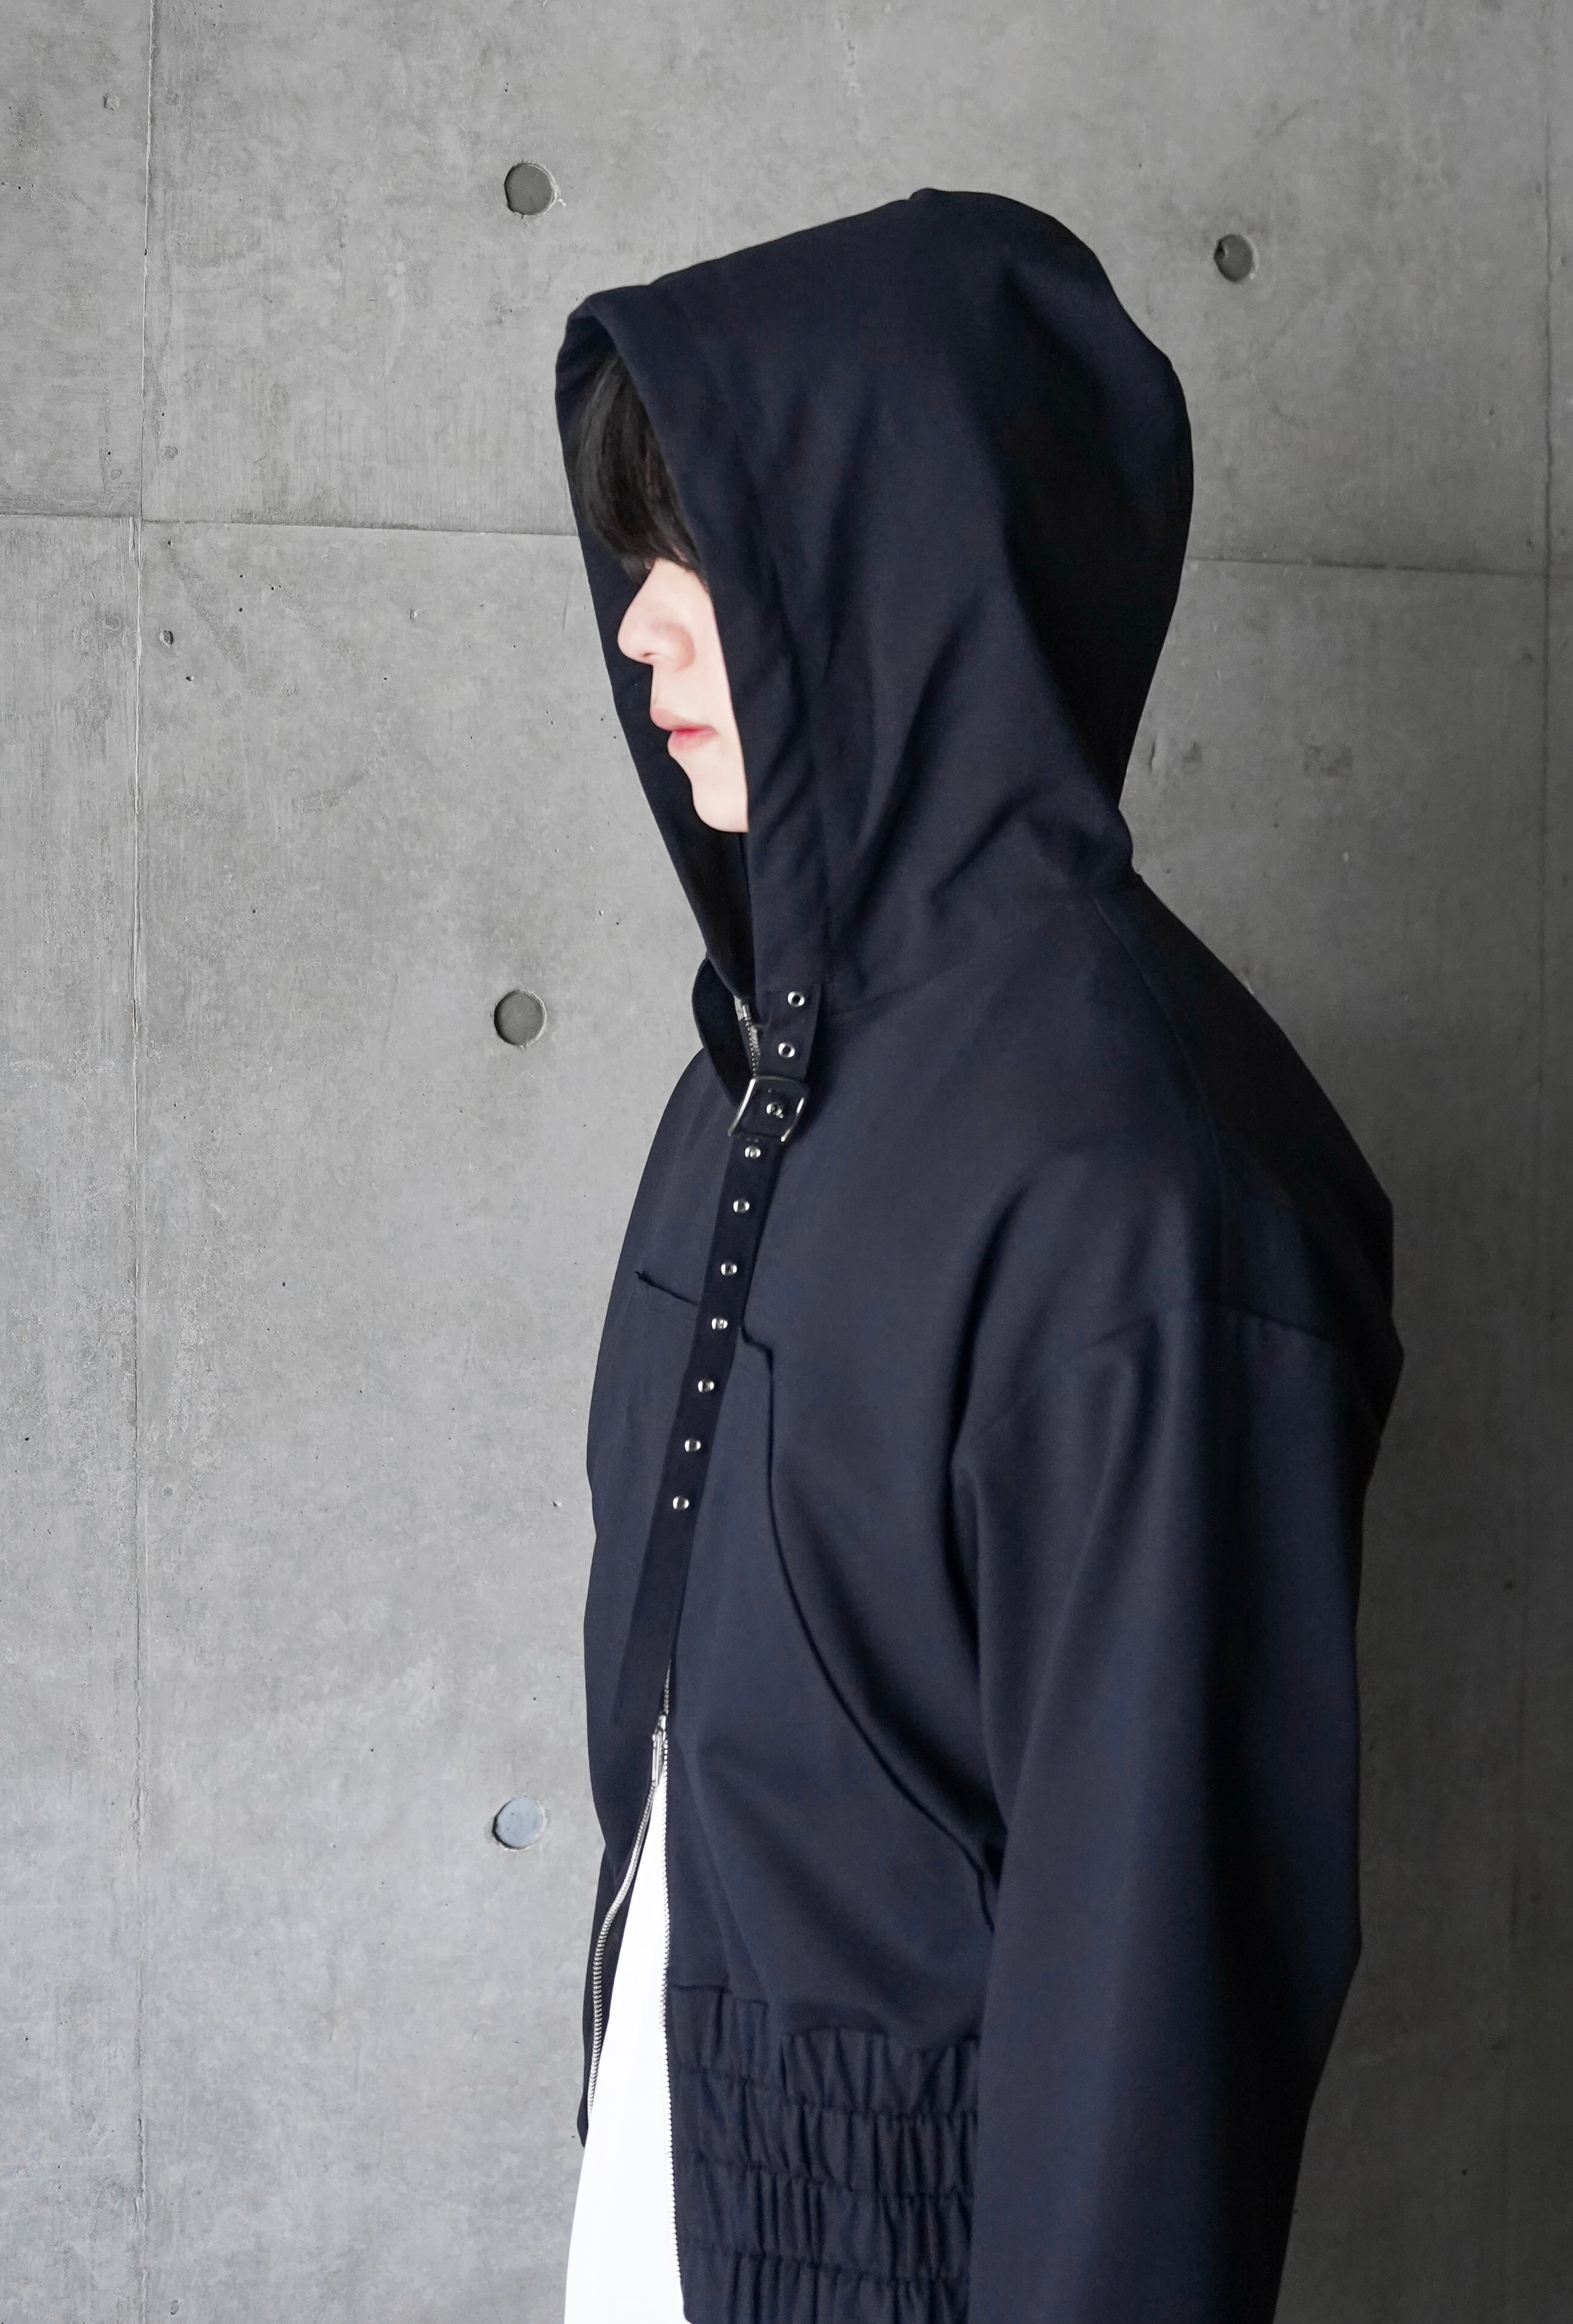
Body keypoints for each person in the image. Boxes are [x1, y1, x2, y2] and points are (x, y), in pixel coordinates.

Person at [552, 188, 1404, 2324]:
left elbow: (1157, 2030)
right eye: (637, 557)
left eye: (703, 556)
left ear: (898, 578)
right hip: (672, 2204)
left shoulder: (1147, 1200)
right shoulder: (751, 1082)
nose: (643, 634)